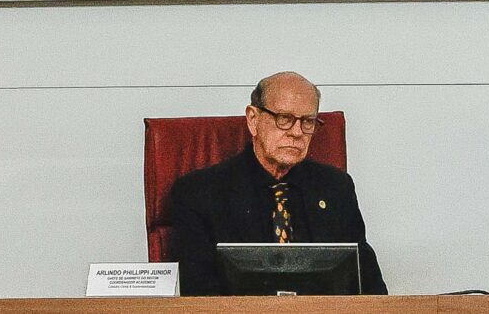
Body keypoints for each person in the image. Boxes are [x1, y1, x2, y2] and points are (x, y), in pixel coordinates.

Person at [163, 71, 386, 296]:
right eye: (284, 119)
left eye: (308, 122)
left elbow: (371, 289)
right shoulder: (199, 193)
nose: (297, 133)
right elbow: (198, 296)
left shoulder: (336, 189)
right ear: (253, 120)